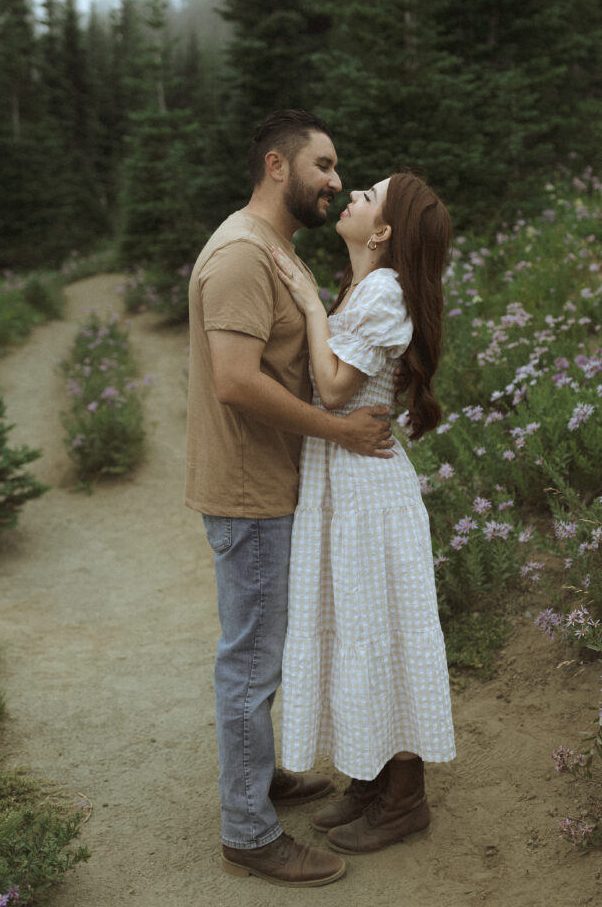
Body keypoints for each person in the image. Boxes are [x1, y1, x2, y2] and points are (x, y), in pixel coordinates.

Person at [185, 110, 394, 888]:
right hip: (250, 491)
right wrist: (337, 434)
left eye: (338, 169)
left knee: (260, 651)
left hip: (273, 486)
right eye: (324, 165)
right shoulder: (241, 255)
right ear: (277, 166)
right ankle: (247, 829)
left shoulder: (278, 248)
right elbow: (236, 384)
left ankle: (260, 777)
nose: (336, 181)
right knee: (249, 661)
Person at [271, 172, 456, 855]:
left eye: (367, 197)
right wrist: (328, 305)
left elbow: (331, 388)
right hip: (347, 483)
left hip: (366, 491)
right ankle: (372, 777)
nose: (350, 195)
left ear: (381, 233)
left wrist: (312, 311)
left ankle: (405, 796)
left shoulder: (382, 292)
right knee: (358, 627)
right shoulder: (366, 287)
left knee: (382, 632)